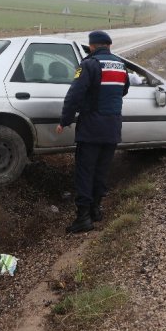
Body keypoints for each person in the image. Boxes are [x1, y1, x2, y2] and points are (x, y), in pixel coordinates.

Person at [56, 30, 130, 233]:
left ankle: (83, 218)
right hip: (113, 127)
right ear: (109, 46)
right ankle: (96, 210)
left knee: (85, 172)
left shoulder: (89, 64)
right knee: (101, 171)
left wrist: (65, 120)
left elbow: (74, 95)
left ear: (92, 46)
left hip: (91, 128)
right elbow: (123, 90)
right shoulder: (120, 65)